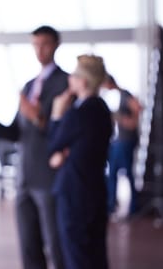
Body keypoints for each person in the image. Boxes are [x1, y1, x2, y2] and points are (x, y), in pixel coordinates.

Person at [0, 25, 66, 269]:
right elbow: (18, 132)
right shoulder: (30, 85)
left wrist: (36, 117)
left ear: (56, 45)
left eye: (45, 44)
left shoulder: (65, 83)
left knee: (55, 243)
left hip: (49, 177)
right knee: (28, 245)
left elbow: (59, 130)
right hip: (25, 177)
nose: (40, 50)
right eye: (36, 45)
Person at [48, 55, 113, 269]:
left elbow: (53, 144)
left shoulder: (77, 113)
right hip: (96, 191)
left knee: (77, 256)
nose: (70, 79)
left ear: (83, 81)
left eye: (74, 75)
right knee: (96, 255)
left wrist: (57, 115)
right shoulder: (102, 110)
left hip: (74, 194)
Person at [101, 74, 142, 217]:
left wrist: (126, 121)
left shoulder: (124, 94)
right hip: (117, 141)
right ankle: (112, 205)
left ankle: (132, 206)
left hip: (125, 141)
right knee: (113, 173)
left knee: (126, 173)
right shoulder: (115, 96)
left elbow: (138, 109)